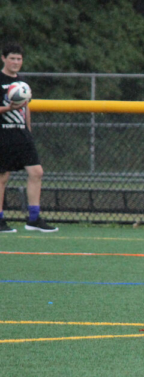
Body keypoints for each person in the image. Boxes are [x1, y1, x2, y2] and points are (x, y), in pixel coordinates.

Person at [0, 42, 57, 233]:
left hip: (21, 134)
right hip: (3, 133)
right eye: (12, 58)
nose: (16, 62)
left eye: (19, 59)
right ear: (3, 58)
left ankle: (33, 219)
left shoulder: (22, 83)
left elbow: (27, 107)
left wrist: (28, 131)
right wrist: (8, 108)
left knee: (36, 172)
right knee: (2, 177)